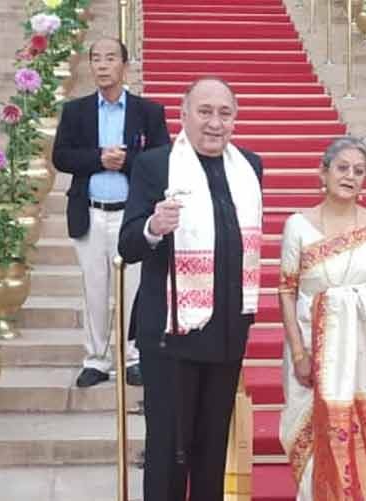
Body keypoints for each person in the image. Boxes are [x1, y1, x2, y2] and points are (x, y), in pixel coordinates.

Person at [119, 77, 263, 501]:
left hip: (226, 332)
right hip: (170, 335)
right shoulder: (155, 165)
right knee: (167, 449)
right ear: (183, 115)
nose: (215, 123)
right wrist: (152, 227)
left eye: (225, 113)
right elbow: (127, 245)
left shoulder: (250, 167)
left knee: (211, 448)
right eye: (205, 111)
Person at [278, 137, 366, 499]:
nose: (350, 176)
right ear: (323, 172)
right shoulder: (298, 226)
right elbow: (286, 292)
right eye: (342, 168)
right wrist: (299, 354)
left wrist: (346, 303)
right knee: (313, 450)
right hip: (313, 353)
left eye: (359, 171)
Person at [53, 38, 170, 388]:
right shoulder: (76, 111)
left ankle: (134, 356)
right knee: (95, 288)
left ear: (125, 66)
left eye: (110, 58)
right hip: (90, 212)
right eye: (96, 59)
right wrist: (98, 159)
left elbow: (162, 158)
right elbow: (61, 156)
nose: (102, 65)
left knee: (134, 289)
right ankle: (96, 359)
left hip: (131, 217)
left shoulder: (148, 111)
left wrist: (126, 163)